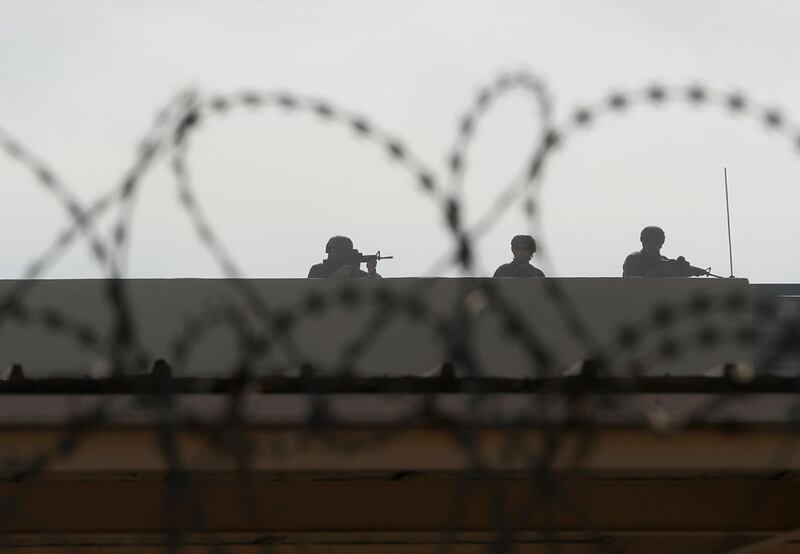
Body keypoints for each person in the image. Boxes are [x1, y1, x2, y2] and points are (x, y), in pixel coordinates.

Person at [623, 226, 707, 277]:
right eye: (648, 240)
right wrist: (658, 271)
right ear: (642, 240)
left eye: (656, 240)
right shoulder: (634, 259)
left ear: (662, 242)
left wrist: (682, 270)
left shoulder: (666, 261)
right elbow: (632, 283)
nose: (652, 244)